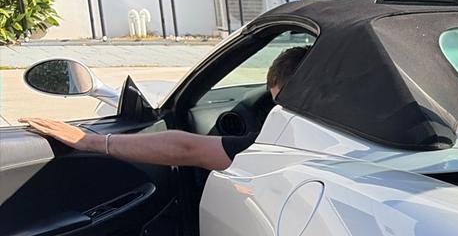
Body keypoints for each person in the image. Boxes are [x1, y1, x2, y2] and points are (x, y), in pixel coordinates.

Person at [20, 45, 309, 172]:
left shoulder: (290, 143)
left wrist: (91, 140)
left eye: (282, 102)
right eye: (275, 104)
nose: (278, 112)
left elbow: (187, 149)